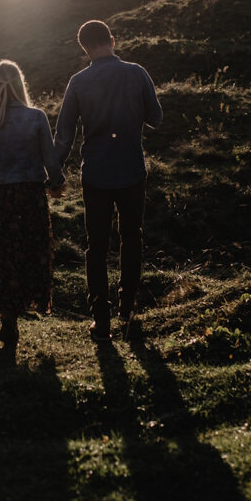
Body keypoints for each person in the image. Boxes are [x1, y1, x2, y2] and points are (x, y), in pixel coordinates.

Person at [54, 19, 163, 339]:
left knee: (96, 247)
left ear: (85, 48)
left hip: (96, 175)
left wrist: (53, 174)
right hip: (131, 170)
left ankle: (100, 320)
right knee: (132, 238)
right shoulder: (137, 72)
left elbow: (63, 136)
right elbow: (156, 118)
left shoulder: (77, 82)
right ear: (112, 40)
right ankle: (127, 309)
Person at [0, 59, 65, 348]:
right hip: (30, 198)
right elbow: (50, 159)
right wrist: (57, 183)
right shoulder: (36, 117)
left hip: (0, 199)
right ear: (20, 83)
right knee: (30, 252)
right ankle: (23, 306)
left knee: (3, 258)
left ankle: (7, 317)